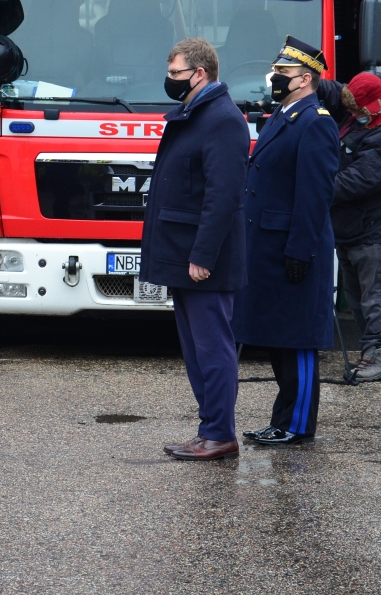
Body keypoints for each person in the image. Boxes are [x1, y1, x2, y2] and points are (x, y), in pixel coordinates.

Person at [140, 38, 250, 461]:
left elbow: (223, 197)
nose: (169, 81)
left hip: (203, 260)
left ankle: (220, 433)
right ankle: (209, 429)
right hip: (183, 255)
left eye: (175, 74)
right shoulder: (197, 113)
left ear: (199, 74)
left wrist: (203, 255)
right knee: (195, 350)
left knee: (212, 348)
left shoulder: (221, 119)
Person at [232, 36, 338, 445]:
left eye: (282, 73)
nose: (274, 78)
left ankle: (297, 425)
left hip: (295, 248)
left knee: (297, 341)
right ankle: (282, 420)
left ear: (304, 79)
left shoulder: (317, 121)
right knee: (279, 339)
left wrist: (301, 250)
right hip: (268, 246)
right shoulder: (283, 115)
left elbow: (315, 194)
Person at [317, 72, 381, 381]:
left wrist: (312, 187)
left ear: (378, 105)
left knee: (373, 293)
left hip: (372, 224)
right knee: (358, 292)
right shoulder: (360, 106)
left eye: (360, 112)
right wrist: (300, 74)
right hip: (350, 223)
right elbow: (334, 92)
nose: (355, 116)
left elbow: (357, 181)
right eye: (353, 110)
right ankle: (374, 351)